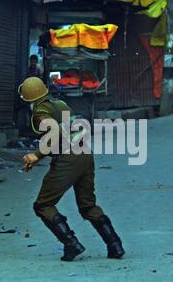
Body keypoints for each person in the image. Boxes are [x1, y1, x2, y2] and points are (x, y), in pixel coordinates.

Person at [18, 77, 125, 262]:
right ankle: (114, 245)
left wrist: (36, 155)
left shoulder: (40, 111)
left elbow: (55, 132)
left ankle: (71, 244)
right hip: (84, 154)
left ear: (28, 98)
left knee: (43, 205)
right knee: (88, 206)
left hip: (68, 159)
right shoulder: (60, 103)